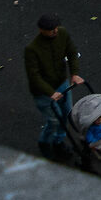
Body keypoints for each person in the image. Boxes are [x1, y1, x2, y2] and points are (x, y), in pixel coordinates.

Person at [24, 12, 83, 160]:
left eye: (56, 27)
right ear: (41, 30)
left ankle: (58, 141)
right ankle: (45, 143)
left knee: (66, 113)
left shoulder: (62, 34)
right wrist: (51, 92)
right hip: (44, 93)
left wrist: (74, 73)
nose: (55, 31)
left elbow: (71, 52)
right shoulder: (32, 50)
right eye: (51, 29)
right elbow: (34, 77)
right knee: (53, 120)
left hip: (61, 83)